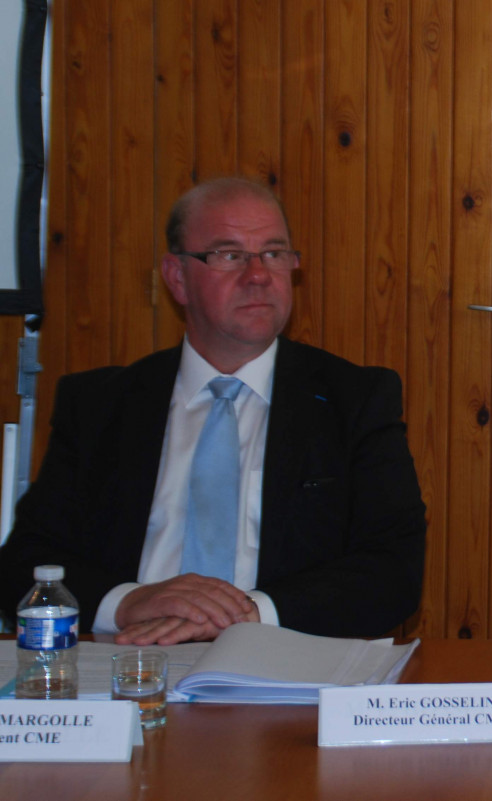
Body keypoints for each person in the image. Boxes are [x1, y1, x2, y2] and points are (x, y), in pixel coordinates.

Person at [0, 177, 426, 645]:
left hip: (284, 664)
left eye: (274, 253)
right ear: (177, 278)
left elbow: (394, 569)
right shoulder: (102, 404)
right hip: (130, 661)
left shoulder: (355, 399)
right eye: (229, 255)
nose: (259, 274)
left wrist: (245, 616)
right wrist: (127, 603)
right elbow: (24, 560)